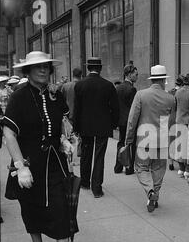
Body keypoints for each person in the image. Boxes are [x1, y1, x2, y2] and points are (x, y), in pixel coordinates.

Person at [1, 51, 78, 242]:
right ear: (28, 71)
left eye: (46, 66)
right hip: (29, 164)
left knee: (62, 211)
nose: (43, 70)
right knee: (31, 210)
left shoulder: (56, 95)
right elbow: (9, 132)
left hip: (55, 164)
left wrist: (66, 139)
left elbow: (65, 123)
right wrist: (19, 166)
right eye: (38, 67)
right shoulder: (19, 97)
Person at [125, 65, 175, 213]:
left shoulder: (141, 95)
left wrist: (129, 139)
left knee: (141, 168)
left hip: (144, 139)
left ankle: (150, 191)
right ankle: (155, 195)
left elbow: (132, 119)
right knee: (159, 168)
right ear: (164, 80)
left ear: (152, 79)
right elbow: (172, 123)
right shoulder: (170, 98)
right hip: (162, 140)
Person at [73, 57, 119, 198]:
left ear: (88, 68)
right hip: (102, 126)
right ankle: (97, 188)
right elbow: (115, 108)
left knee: (86, 154)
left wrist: (76, 127)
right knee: (99, 157)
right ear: (100, 68)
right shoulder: (108, 85)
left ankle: (85, 182)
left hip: (85, 126)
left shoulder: (80, 85)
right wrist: (113, 124)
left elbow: (77, 109)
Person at [114, 64, 138, 175]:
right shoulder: (132, 89)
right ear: (129, 74)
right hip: (129, 120)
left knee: (121, 142)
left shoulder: (118, 88)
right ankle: (129, 168)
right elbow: (133, 108)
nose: (137, 76)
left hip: (121, 120)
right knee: (130, 144)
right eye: (135, 74)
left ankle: (118, 167)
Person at [173, 72, 189, 183]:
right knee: (188, 147)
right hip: (188, 121)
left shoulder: (178, 92)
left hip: (179, 120)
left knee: (180, 146)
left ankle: (181, 169)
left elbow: (175, 106)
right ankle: (187, 169)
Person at [168, 76, 184, 172]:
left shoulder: (170, 92)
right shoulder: (182, 93)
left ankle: (170, 162)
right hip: (180, 118)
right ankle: (180, 162)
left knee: (171, 140)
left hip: (171, 117)